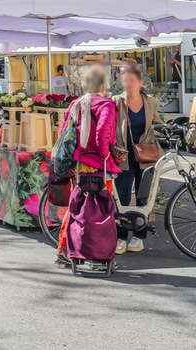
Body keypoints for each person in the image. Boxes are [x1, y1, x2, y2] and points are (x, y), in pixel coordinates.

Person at [55, 65, 120, 265]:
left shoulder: (76, 104)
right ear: (104, 84)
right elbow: (103, 135)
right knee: (99, 209)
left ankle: (65, 247)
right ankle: (92, 250)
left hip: (78, 163)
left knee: (77, 206)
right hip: (98, 164)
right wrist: (106, 155)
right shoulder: (106, 104)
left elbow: (62, 133)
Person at [112, 63, 164, 253]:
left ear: (140, 83)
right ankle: (121, 237)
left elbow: (156, 124)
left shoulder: (151, 103)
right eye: (125, 80)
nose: (128, 84)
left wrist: (168, 129)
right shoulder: (116, 102)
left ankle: (139, 238)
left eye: (132, 81)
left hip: (146, 156)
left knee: (144, 198)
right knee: (122, 198)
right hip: (123, 156)